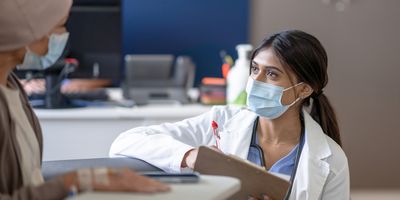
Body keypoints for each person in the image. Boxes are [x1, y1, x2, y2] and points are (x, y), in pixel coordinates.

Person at [110, 30, 350, 199]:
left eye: (272, 74)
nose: (255, 81)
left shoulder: (332, 161)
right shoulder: (222, 120)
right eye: (255, 69)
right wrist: (190, 155)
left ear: (304, 89)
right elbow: (126, 142)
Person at [0, 0, 169, 199]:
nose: (63, 36)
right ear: (29, 30)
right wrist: (78, 181)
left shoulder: (12, 87)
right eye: (61, 24)